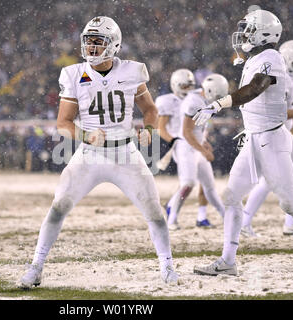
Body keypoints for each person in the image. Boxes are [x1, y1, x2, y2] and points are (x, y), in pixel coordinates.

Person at [19, 16, 179, 288]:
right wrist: (85, 134)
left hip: (125, 153)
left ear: (113, 44)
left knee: (154, 212)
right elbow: (63, 124)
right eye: (88, 41)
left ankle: (167, 266)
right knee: (58, 208)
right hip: (89, 154)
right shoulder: (74, 74)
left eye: (98, 41)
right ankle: (36, 266)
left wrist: (148, 131)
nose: (91, 47)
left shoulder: (131, 71)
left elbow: (150, 111)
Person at [192, 9, 293, 276]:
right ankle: (228, 261)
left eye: (248, 30)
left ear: (263, 33)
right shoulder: (257, 57)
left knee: (290, 202)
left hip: (272, 139)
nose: (243, 35)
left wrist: (219, 104)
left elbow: (255, 89)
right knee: (231, 196)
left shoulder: (272, 58)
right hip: (254, 138)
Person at [241, 40, 293, 238]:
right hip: (274, 133)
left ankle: (289, 223)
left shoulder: (290, 78)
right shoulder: (283, 78)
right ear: (289, 60)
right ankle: (245, 221)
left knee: (292, 178)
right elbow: (279, 111)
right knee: (272, 181)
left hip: (282, 133)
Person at [163, 74, 227, 230]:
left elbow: (198, 128)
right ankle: (171, 220)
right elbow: (186, 132)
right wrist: (203, 151)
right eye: (218, 95)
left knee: (210, 187)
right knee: (188, 183)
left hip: (196, 144)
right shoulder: (194, 102)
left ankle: (227, 217)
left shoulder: (202, 97)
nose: (219, 99)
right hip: (186, 146)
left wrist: (204, 143)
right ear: (211, 91)